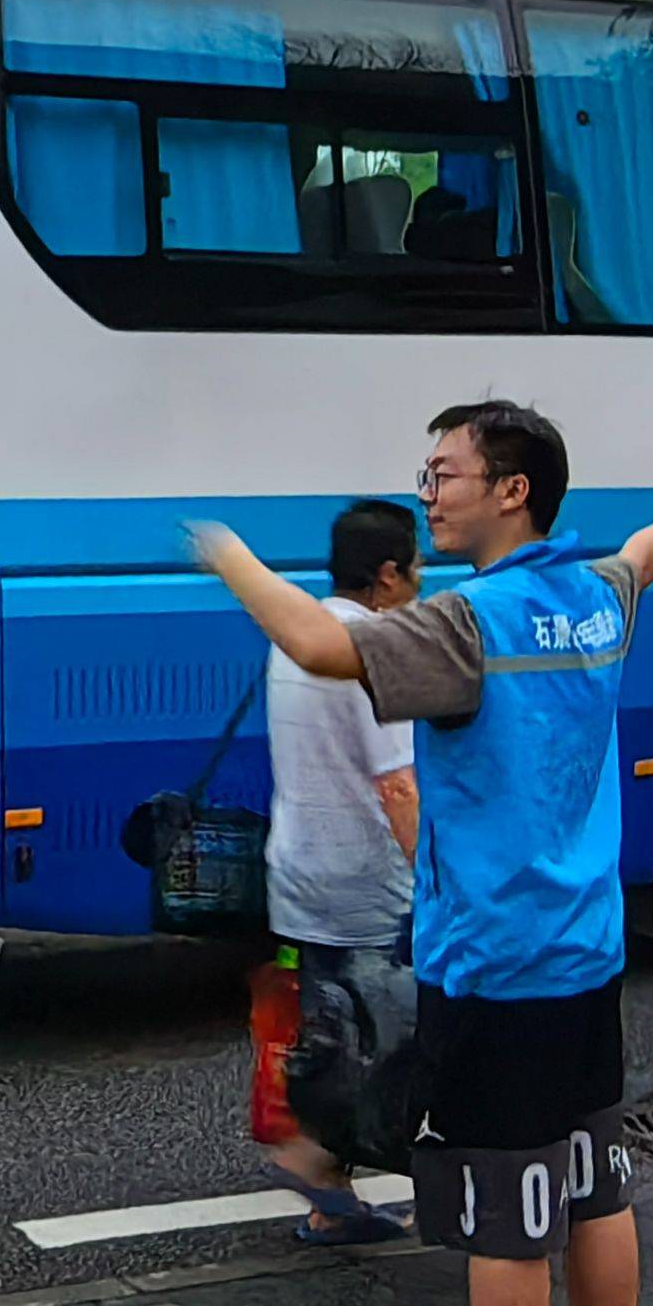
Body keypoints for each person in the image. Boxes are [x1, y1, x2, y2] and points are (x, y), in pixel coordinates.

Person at [194, 401, 653, 1306]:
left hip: (491, 964)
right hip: (587, 953)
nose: (427, 491)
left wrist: (223, 549)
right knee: (593, 1183)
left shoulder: (464, 624)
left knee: (502, 1208)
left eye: (444, 472)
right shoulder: (591, 597)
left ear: (511, 490)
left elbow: (312, 640)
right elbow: (650, 543)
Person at [260, 498, 423, 1245]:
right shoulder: (370, 648)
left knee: (331, 1030)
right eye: (415, 566)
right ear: (387, 574)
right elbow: (397, 783)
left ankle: (327, 1194)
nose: (421, 580)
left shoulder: (294, 636)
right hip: (364, 881)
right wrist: (434, 877)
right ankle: (328, 1161)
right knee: (395, 1041)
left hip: (298, 873)